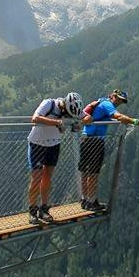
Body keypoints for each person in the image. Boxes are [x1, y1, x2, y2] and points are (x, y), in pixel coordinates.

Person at [79, 89, 139, 211]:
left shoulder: (101, 102)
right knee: (93, 172)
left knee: (85, 171)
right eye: (119, 100)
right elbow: (119, 117)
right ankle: (91, 202)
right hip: (95, 141)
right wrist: (137, 122)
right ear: (113, 96)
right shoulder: (107, 105)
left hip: (85, 138)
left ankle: (84, 200)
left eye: (123, 101)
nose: (120, 103)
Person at [27, 91, 84, 224]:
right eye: (67, 114)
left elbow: (87, 117)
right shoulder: (49, 104)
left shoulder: (72, 109)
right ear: (64, 106)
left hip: (54, 145)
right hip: (37, 144)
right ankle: (32, 211)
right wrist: (57, 122)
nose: (68, 116)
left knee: (47, 177)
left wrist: (79, 122)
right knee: (36, 178)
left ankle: (44, 209)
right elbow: (35, 118)